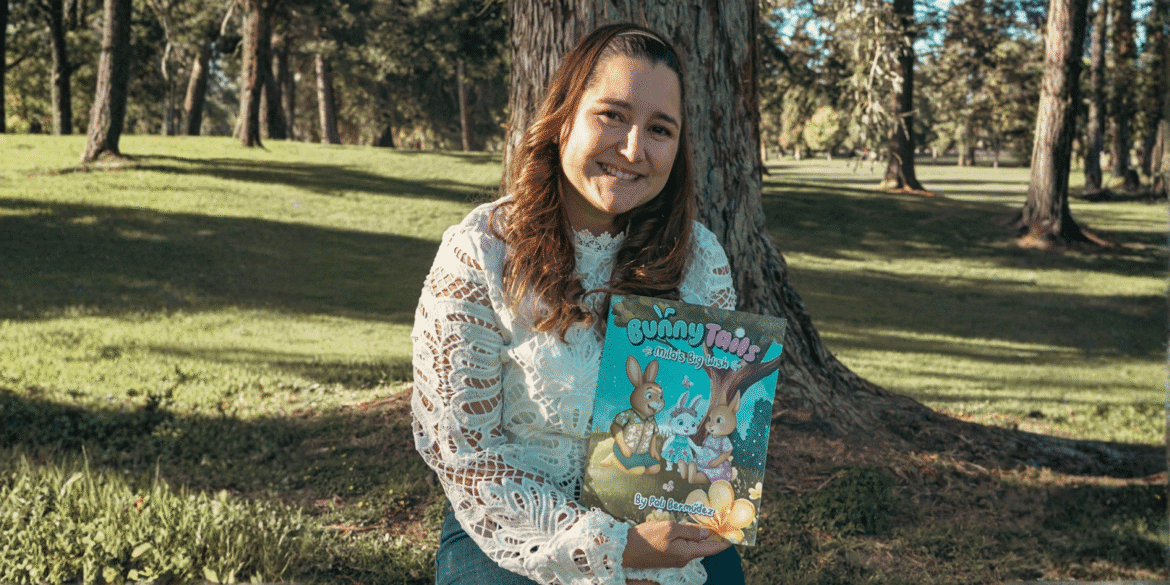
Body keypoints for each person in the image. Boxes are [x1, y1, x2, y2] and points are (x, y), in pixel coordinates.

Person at [411, 22, 745, 585]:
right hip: (514, 522)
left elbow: (712, 425)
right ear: (564, 116)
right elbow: (465, 456)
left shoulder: (699, 257)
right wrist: (616, 548)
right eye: (611, 115)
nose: (633, 149)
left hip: (660, 513)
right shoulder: (480, 253)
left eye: (659, 128)